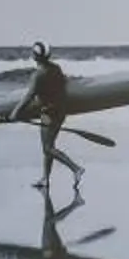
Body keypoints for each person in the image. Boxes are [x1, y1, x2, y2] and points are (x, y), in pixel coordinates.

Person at [19, 40, 84, 195]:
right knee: (48, 147)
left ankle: (76, 168)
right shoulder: (56, 68)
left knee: (48, 148)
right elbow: (62, 83)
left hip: (49, 114)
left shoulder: (38, 75)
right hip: (59, 111)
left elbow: (29, 96)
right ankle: (46, 180)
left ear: (35, 56)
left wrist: (15, 113)